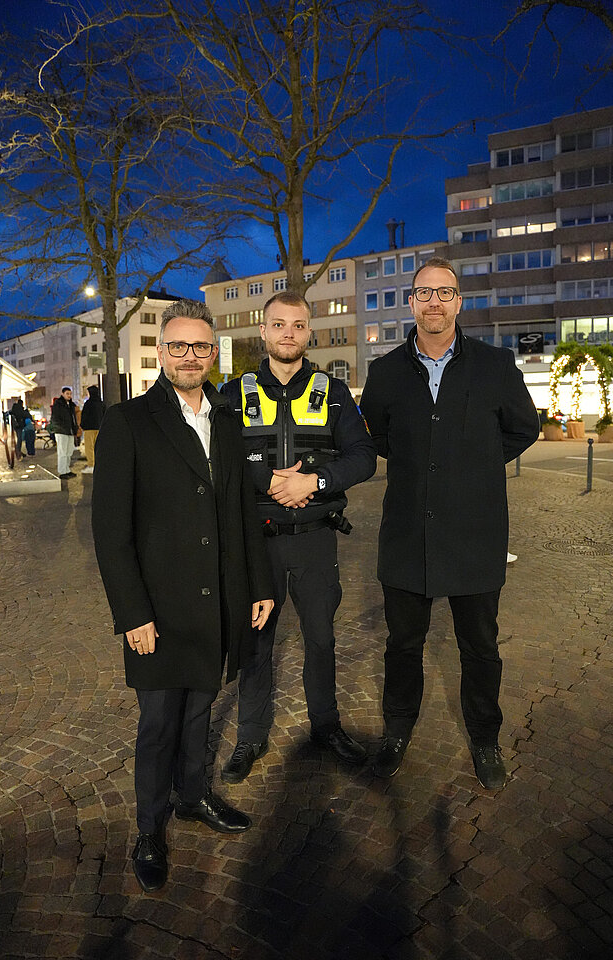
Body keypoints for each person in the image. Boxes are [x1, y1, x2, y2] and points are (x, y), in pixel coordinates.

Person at [92, 298, 273, 893]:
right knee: (159, 723)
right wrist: (132, 614)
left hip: (217, 600)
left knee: (199, 711)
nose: (190, 356)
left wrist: (258, 587)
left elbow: (242, 513)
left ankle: (193, 797)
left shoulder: (225, 419)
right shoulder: (129, 422)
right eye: (178, 347)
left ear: (213, 354)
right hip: (160, 608)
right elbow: (110, 531)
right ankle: (150, 827)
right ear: (162, 354)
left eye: (200, 347)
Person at [360, 257, 539, 790]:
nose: (434, 302)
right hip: (407, 535)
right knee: (402, 645)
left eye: (445, 292)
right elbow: (379, 439)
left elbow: (523, 429)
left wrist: (473, 465)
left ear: (459, 302)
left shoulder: (495, 365)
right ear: (410, 303)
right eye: (423, 293)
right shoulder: (386, 371)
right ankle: (397, 732)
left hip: (475, 534)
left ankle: (485, 737)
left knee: (480, 647)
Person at [219, 291, 377, 783]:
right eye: (278, 324)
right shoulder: (231, 393)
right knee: (255, 642)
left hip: (314, 538)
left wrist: (314, 481)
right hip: (256, 541)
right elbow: (217, 456)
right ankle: (250, 736)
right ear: (262, 332)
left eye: (298, 325)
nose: (288, 333)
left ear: (309, 333)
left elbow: (363, 456)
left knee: (321, 639)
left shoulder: (333, 392)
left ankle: (326, 727)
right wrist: (265, 481)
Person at [49, 387, 79, 478]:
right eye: (67, 393)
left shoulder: (70, 405)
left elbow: (73, 418)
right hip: (61, 431)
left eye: (70, 394)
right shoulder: (58, 404)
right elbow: (55, 418)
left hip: (69, 431)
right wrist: (59, 427)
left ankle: (67, 469)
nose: (69, 395)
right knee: (62, 452)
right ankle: (62, 471)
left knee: (69, 451)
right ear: (62, 394)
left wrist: (74, 428)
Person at [79, 384, 106, 474]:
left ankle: (91, 465)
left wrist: (82, 425)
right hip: (100, 428)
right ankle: (99, 465)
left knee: (89, 448)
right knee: (98, 447)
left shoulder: (88, 404)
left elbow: (84, 416)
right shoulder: (101, 403)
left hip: (89, 428)